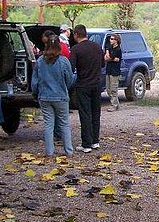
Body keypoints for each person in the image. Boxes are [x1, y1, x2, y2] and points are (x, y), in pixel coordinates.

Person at [31, 36, 75, 157]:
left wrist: (35, 94)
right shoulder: (64, 61)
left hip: (44, 97)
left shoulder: (40, 61)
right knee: (64, 123)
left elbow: (35, 82)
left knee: (48, 124)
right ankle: (68, 151)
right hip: (60, 96)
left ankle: (49, 151)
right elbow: (70, 80)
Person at [70, 24, 104, 153]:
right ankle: (95, 141)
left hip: (83, 85)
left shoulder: (76, 49)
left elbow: (71, 67)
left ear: (76, 35)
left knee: (85, 114)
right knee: (96, 113)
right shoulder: (97, 47)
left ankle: (86, 143)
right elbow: (102, 64)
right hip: (96, 84)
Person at [104, 34, 122, 111]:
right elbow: (106, 58)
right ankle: (117, 104)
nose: (110, 40)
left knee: (113, 89)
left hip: (115, 72)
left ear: (116, 40)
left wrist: (109, 57)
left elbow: (110, 58)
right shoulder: (110, 48)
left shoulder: (118, 49)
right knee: (108, 89)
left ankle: (114, 105)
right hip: (108, 70)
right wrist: (108, 51)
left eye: (112, 39)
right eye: (110, 39)